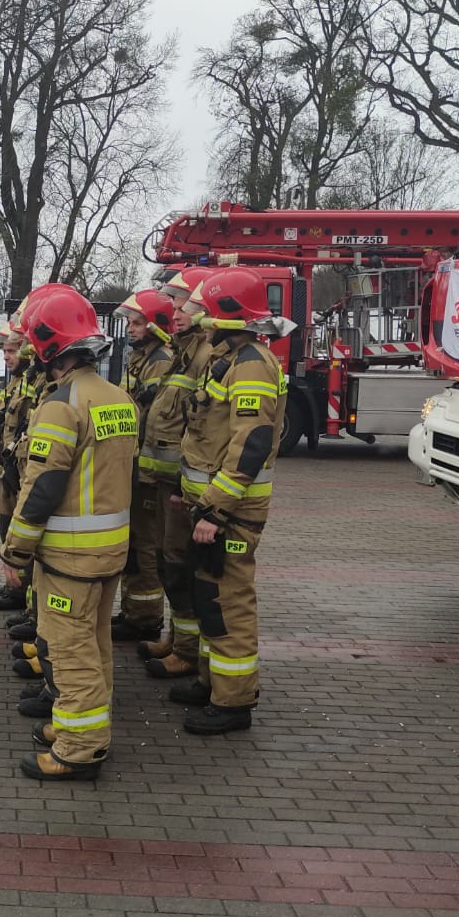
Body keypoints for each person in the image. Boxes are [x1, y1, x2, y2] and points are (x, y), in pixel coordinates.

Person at [1, 285, 137, 780]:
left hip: (70, 558)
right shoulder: (118, 397)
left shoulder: (61, 405)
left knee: (70, 651)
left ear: (47, 348)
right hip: (109, 552)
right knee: (95, 644)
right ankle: (79, 726)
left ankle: (80, 749)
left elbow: (43, 487)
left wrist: (15, 550)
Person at [167, 267, 287, 735]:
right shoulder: (230, 357)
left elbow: (250, 444)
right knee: (208, 597)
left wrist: (216, 509)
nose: (197, 317)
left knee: (228, 604)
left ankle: (234, 703)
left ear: (227, 315)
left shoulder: (251, 364)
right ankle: (211, 682)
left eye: (205, 310)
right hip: (210, 506)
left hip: (230, 513)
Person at [143, 267, 214, 679]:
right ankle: (179, 638)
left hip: (184, 486)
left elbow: (199, 428)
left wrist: (184, 487)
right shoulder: (185, 351)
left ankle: (187, 650)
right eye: (173, 303)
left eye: (183, 303)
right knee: (168, 561)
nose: (174, 311)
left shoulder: (204, 355)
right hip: (170, 481)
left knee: (179, 563)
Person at [109, 289, 174, 643]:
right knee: (133, 542)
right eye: (130, 323)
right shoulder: (140, 358)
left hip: (149, 473)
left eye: (137, 323)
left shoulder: (160, 360)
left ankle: (146, 618)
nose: (131, 329)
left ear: (156, 325)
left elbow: (149, 416)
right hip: (136, 466)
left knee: (144, 546)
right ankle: (133, 610)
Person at [0, 319, 32, 612]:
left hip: (20, 470)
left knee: (20, 532)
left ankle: (24, 594)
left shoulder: (33, 382)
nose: (6, 356)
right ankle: (17, 587)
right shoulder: (16, 380)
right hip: (8, 467)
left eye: (12, 350)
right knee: (7, 528)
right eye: (4, 351)